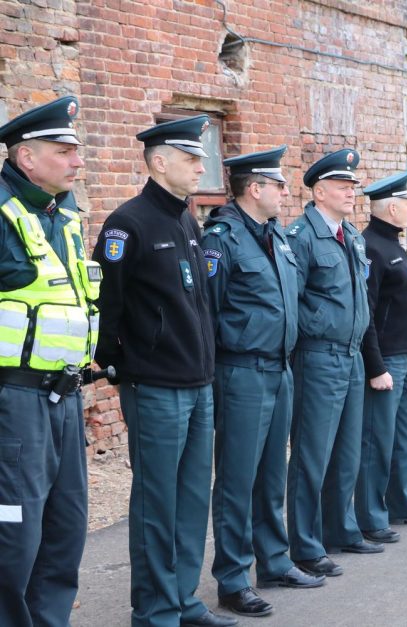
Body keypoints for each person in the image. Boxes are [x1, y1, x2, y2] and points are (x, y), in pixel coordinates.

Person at [94, 116, 233, 627]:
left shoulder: (185, 219)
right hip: (155, 385)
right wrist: (118, 363)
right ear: (158, 162)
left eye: (201, 157)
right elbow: (106, 303)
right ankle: (155, 611)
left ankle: (183, 599)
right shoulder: (127, 224)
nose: (201, 166)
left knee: (192, 500)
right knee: (158, 503)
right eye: (191, 158)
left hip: (198, 383)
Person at [202, 146, 324, 619]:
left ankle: (273, 560)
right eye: (277, 185)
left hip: (280, 368)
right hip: (242, 372)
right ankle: (232, 579)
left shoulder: (276, 235)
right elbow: (208, 315)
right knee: (237, 480)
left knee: (272, 474)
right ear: (254, 189)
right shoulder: (222, 239)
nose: (285, 192)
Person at [0, 96, 96, 627]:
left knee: (65, 529)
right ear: (26, 157)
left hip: (66, 397)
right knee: (14, 534)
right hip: (15, 399)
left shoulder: (64, 215)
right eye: (65, 151)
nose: (77, 161)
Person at [286, 148, 376, 581]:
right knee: (311, 452)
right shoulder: (301, 236)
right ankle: (305, 545)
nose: (351, 194)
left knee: (347, 449)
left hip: (352, 353)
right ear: (319, 192)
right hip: (319, 355)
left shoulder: (351, 235)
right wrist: (318, 326)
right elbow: (291, 300)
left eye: (353, 187)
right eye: (343, 187)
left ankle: (340, 527)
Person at [355, 171, 407, 541]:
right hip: (386, 359)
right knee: (377, 438)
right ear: (392, 207)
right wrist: (375, 366)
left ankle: (400, 501)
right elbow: (366, 315)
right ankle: (372, 515)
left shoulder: (394, 245)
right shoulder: (371, 247)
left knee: (405, 435)